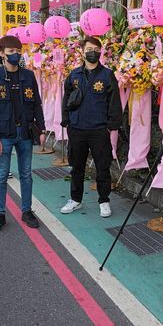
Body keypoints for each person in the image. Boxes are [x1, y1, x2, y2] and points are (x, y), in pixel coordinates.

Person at [0, 35, 46, 232]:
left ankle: (27, 210)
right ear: (1, 54)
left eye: (17, 51)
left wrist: (42, 128)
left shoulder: (28, 76)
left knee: (26, 174)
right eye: (11, 52)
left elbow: (36, 103)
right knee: (1, 175)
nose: (15, 55)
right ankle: (0, 213)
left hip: (26, 132)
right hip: (4, 134)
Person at [60, 37, 122, 218]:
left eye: (96, 49)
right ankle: (75, 199)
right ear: (82, 51)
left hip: (99, 130)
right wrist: (67, 121)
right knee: (76, 166)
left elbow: (114, 102)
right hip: (77, 128)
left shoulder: (107, 75)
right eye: (89, 49)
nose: (92, 52)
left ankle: (104, 200)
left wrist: (112, 126)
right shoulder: (74, 75)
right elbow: (66, 99)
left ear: (100, 52)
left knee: (102, 166)